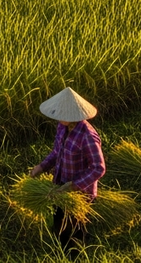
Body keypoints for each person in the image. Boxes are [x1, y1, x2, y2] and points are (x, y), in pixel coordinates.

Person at [28, 87, 106, 259]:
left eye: (61, 113)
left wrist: (74, 185)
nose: (57, 115)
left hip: (79, 193)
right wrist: (42, 167)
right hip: (60, 186)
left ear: (72, 115)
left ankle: (75, 257)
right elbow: (57, 152)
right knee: (60, 224)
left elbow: (98, 168)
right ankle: (64, 253)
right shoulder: (62, 128)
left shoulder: (87, 136)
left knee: (74, 231)